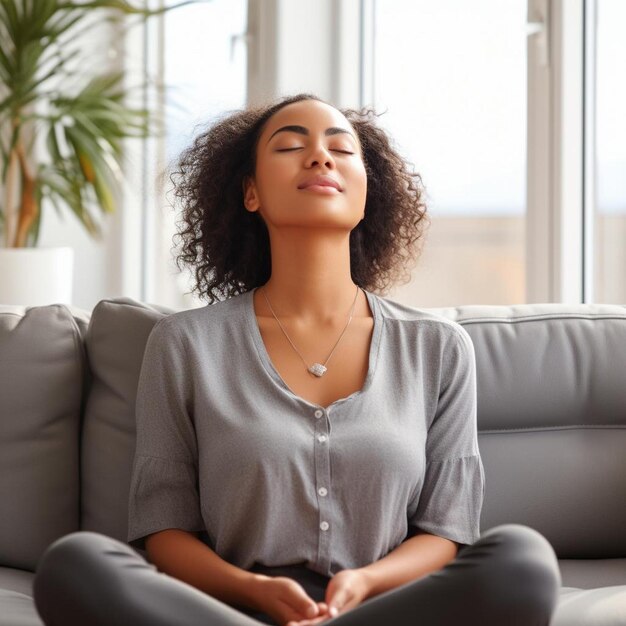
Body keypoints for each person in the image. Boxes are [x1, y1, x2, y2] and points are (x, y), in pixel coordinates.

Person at [33, 93, 561, 626]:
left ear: (366, 193)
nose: (319, 157)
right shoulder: (184, 344)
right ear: (251, 193)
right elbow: (165, 531)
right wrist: (256, 590)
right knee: (77, 563)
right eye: (290, 146)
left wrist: (365, 583)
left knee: (523, 560)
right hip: (235, 609)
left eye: (341, 149)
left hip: (384, 609)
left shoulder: (438, 347)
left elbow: (445, 531)